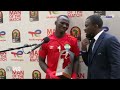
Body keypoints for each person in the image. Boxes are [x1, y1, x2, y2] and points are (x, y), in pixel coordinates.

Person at [39, 15, 80, 79]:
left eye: (67, 24)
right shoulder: (46, 41)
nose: (64, 26)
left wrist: (74, 75)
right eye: (62, 23)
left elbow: (76, 60)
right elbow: (41, 61)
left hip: (67, 77)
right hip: (51, 77)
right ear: (56, 23)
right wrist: (49, 73)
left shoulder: (73, 40)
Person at [81, 15, 120, 79]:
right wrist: (84, 49)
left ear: (95, 26)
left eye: (87, 25)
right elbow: (89, 63)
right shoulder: (93, 41)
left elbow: (117, 65)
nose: (85, 29)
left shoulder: (110, 40)